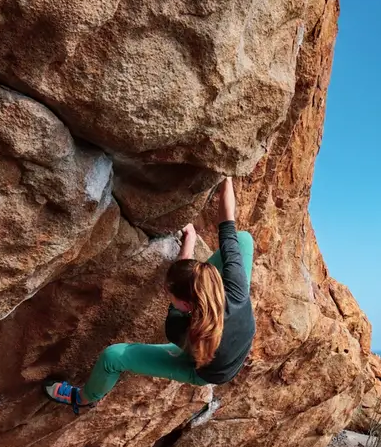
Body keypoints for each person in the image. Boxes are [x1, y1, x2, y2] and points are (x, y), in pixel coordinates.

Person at [43, 177, 255, 424]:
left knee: (113, 357)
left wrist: (187, 246)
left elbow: (185, 315)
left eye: (171, 295)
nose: (169, 297)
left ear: (186, 307)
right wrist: (227, 178)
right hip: (234, 345)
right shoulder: (237, 287)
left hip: (206, 368)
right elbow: (227, 222)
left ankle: (84, 398)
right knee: (242, 240)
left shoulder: (179, 328)